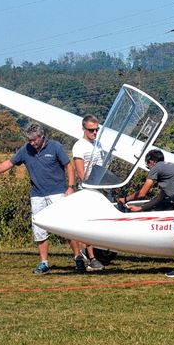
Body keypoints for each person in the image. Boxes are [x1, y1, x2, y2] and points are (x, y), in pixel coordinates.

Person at [0, 122, 82, 275]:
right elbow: (8, 163)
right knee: (39, 230)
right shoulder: (25, 150)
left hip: (58, 193)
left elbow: (69, 166)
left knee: (66, 228)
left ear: (42, 136)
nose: (32, 143)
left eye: (34, 140)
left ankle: (78, 258)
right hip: (37, 195)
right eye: (29, 140)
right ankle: (44, 262)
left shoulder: (55, 147)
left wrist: (71, 187)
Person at [118, 149, 174, 278]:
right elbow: (160, 198)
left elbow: (142, 193)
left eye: (147, 165)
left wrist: (125, 199)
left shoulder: (156, 168)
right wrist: (141, 209)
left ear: (151, 162)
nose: (148, 168)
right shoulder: (169, 170)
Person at [70, 115, 106, 271]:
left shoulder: (98, 144)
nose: (95, 133)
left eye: (97, 129)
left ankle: (96, 254)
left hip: (99, 188)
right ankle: (90, 257)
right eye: (91, 130)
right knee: (88, 224)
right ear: (84, 129)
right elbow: (81, 173)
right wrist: (91, 184)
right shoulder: (79, 146)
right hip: (87, 189)